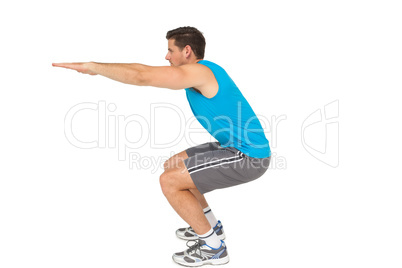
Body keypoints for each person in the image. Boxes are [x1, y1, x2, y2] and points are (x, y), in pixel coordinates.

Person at [53, 26, 271, 266]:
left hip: (248, 156)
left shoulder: (200, 72)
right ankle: (211, 227)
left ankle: (214, 248)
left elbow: (141, 75)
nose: (166, 56)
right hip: (231, 146)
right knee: (175, 165)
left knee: (169, 181)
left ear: (187, 51)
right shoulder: (205, 71)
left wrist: (94, 67)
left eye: (170, 50)